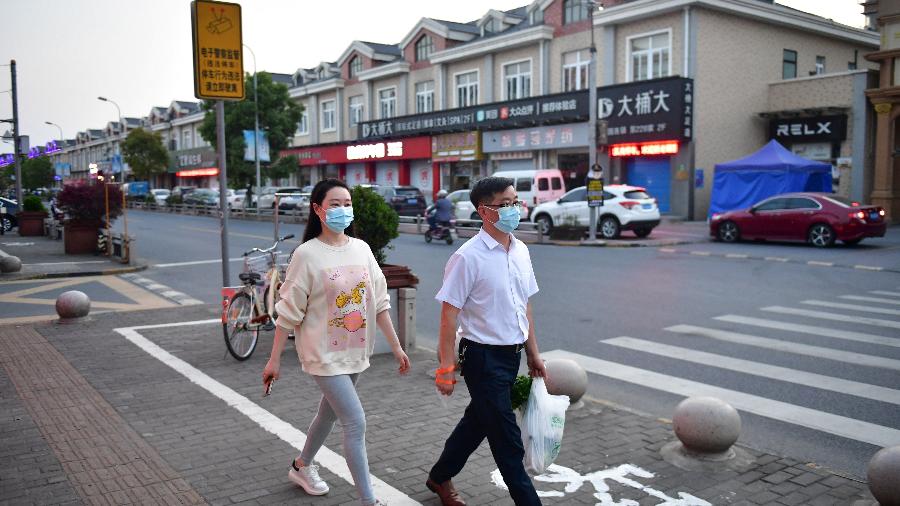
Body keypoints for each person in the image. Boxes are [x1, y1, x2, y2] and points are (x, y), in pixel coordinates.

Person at [262, 178, 411, 506]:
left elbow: (380, 302)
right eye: (335, 204)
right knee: (355, 421)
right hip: (322, 354)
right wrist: (273, 361)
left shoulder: (361, 249)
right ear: (317, 209)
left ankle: (301, 466)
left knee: (328, 415)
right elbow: (288, 314)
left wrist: (397, 347)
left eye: (347, 203)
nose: (343, 209)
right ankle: (368, 501)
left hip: (355, 350)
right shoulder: (307, 255)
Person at [427, 176, 546, 506]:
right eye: (504, 204)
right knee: (508, 441)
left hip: (512, 356)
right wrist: (446, 368)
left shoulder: (520, 250)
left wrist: (534, 354)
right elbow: (448, 317)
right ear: (484, 211)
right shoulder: (468, 257)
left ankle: (439, 477)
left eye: (515, 202)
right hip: (482, 357)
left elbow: (525, 306)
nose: (513, 210)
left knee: (477, 423)